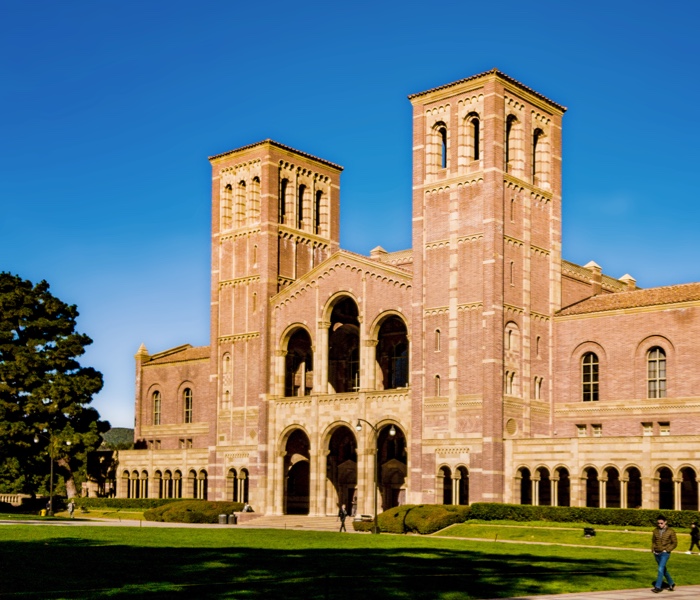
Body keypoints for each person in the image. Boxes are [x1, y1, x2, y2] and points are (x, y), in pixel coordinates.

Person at [651, 515, 677, 593]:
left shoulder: (671, 531)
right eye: (658, 523)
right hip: (656, 553)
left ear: (665, 522)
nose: (660, 525)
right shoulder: (655, 530)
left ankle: (658, 587)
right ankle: (671, 583)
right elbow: (653, 541)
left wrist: (667, 550)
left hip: (665, 554)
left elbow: (674, 543)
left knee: (660, 569)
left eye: (661, 523)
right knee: (663, 569)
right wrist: (653, 549)